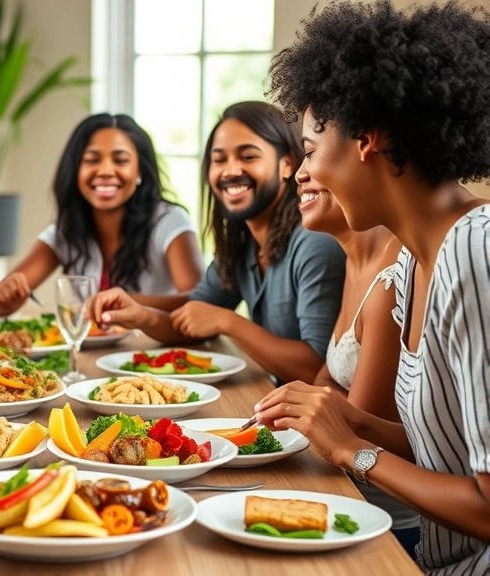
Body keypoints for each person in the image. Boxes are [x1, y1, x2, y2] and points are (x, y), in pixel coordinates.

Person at [256, 1, 490, 573]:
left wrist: (349, 449)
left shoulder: (476, 250)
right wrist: (354, 422)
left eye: (310, 150)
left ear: (369, 138)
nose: (302, 172)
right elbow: (448, 449)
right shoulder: (408, 267)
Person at [90, 102, 346, 384]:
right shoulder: (241, 242)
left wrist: (229, 322)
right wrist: (141, 317)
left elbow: (317, 369)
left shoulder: (314, 243)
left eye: (248, 156)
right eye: (219, 159)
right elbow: (194, 319)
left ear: (287, 164)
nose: (230, 170)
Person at [296, 184, 420, 552]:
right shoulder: (353, 259)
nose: (302, 173)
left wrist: (329, 403)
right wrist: (328, 400)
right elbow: (324, 379)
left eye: (311, 152)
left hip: (383, 526)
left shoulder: (391, 275)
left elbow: (349, 424)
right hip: (342, 492)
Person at [0, 113, 204, 317]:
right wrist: (3, 295)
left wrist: (127, 302)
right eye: (92, 160)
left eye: (120, 160)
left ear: (139, 172)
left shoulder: (169, 222)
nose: (106, 171)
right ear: (76, 170)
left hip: (156, 354)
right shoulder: (67, 230)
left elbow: (198, 301)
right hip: (91, 355)